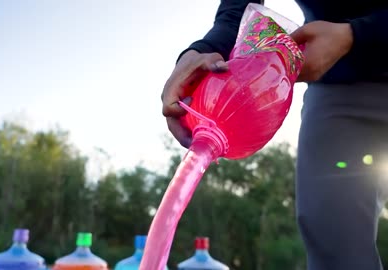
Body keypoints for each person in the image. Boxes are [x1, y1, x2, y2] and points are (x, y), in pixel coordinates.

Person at [161, 0, 388, 269]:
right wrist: (201, 51)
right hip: (338, 84)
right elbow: (239, 10)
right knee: (333, 235)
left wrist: (357, 33)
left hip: (355, 46)